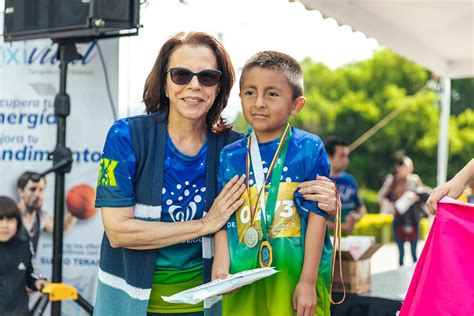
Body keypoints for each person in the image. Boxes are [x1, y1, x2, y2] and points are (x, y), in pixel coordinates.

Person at [94, 33, 338, 316]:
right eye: (181, 75)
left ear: (220, 86)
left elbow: (286, 196)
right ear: (164, 81)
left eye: (207, 77)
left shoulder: (235, 150)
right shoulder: (128, 136)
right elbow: (118, 232)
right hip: (132, 305)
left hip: (213, 304)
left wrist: (327, 199)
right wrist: (205, 223)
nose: (194, 85)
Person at [212, 51, 334, 316]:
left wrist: (308, 281)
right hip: (242, 277)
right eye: (250, 93)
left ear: (296, 105)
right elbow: (223, 217)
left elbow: (318, 216)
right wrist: (221, 265)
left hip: (292, 276)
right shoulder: (230, 156)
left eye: (272, 94)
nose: (259, 103)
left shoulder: (309, 148)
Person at [0, 196, 48, 316]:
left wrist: (38, 283)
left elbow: (29, 276)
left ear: (18, 222)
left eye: (10, 219)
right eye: (0, 219)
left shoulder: (24, 246)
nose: (4, 225)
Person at [378, 156, 427, 266]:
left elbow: (422, 194)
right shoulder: (392, 180)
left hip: (413, 217)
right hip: (399, 217)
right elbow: (381, 196)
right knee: (401, 252)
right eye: (406, 166)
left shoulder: (414, 179)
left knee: (414, 252)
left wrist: (415, 197)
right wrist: (390, 206)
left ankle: (415, 276)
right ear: (398, 167)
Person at [16, 171, 76, 256]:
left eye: (41, 190)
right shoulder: (10, 214)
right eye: (33, 189)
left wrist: (76, 210)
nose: (38, 194)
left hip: (27, 268)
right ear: (21, 192)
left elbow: (60, 228)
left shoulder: (40, 217)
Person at [325, 136, 366, 234]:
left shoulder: (350, 180)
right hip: (327, 242)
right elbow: (311, 217)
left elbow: (361, 208)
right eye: (342, 156)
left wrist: (357, 217)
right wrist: (341, 227)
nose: (346, 160)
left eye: (347, 156)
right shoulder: (320, 180)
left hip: (349, 240)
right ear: (329, 156)